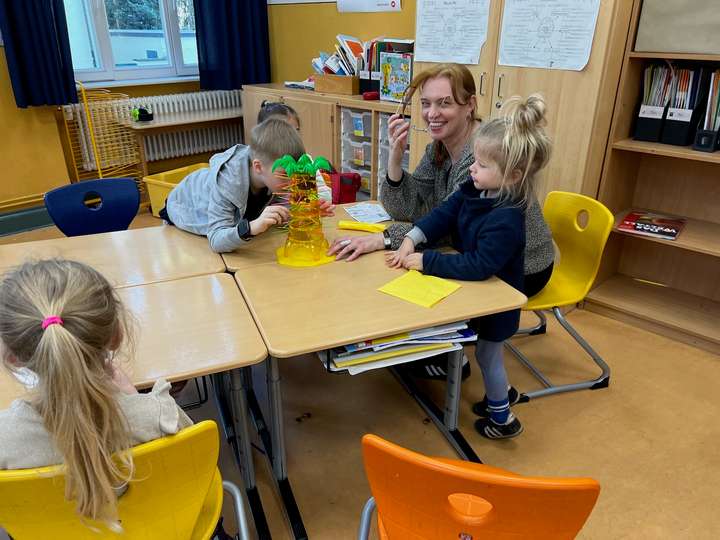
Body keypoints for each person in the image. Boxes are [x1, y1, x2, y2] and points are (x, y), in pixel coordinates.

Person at [387, 94, 552, 439]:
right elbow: (445, 213)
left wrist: (428, 260)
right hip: (481, 294)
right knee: (485, 353)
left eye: (482, 165)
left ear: (512, 175)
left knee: (489, 357)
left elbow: (479, 265)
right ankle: (501, 396)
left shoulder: (507, 218)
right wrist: (413, 237)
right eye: (474, 160)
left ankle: (503, 418)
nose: (472, 169)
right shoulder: (478, 188)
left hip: (498, 300)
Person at [0, 259, 192, 527]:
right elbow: (194, 463)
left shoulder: (5, 440)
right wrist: (136, 400)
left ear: (12, 357)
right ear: (116, 336)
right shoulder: (160, 417)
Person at [163, 118, 334, 253]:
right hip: (185, 206)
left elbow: (280, 213)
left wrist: (305, 213)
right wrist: (250, 228)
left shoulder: (272, 174)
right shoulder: (228, 183)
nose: (292, 183)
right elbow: (216, 240)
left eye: (295, 174)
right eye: (285, 175)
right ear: (258, 167)